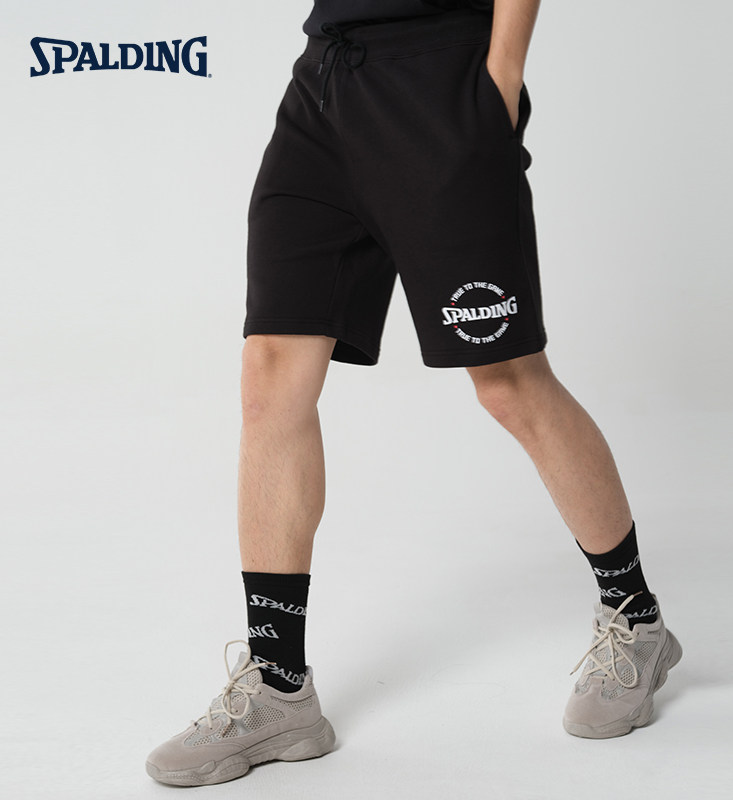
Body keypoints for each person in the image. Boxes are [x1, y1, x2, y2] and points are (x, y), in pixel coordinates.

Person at [145, 0, 681, 786]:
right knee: (270, 376)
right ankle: (278, 686)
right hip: (326, 83)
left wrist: (500, 78)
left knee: (507, 383)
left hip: (444, 81)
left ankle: (636, 619)